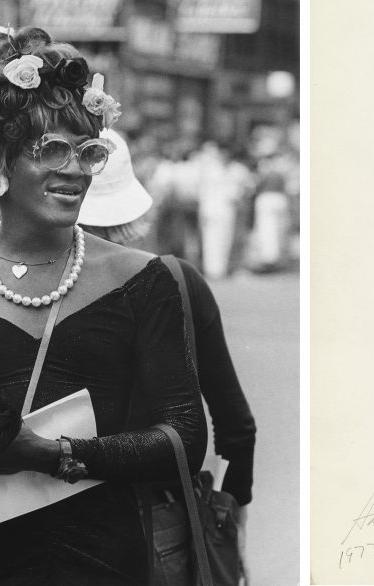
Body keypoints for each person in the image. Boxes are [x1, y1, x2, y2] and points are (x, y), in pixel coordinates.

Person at [0, 26, 206, 584]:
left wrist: (49, 453)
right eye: (52, 149)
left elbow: (183, 439)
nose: (75, 170)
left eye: (88, 151)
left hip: (104, 561)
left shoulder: (143, 281)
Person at [78, 129, 257, 583]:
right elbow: (237, 426)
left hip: (59, 522)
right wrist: (231, 512)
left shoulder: (27, 290)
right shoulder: (178, 280)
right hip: (161, 522)